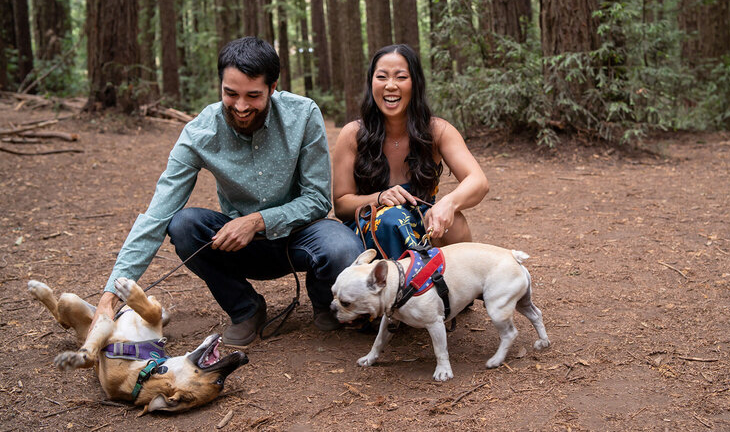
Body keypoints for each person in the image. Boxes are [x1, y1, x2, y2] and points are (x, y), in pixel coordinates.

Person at [90, 36, 363, 348]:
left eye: (253, 95)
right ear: (220, 86)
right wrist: (108, 300)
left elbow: (316, 199)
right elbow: (156, 216)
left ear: (273, 88)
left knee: (342, 246)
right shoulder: (199, 133)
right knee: (184, 225)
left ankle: (324, 301)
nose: (241, 106)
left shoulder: (303, 115)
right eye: (230, 94)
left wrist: (258, 220)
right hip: (239, 247)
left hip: (300, 237)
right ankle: (246, 308)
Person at [332, 44, 488, 259]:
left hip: (421, 222)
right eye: (382, 77)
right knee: (391, 219)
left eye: (401, 77)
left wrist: (448, 204)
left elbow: (478, 181)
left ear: (415, 83)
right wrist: (379, 197)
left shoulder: (438, 131)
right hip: (369, 227)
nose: (390, 85)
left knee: (456, 221)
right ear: (371, 83)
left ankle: (455, 289)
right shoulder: (353, 134)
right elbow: (341, 204)